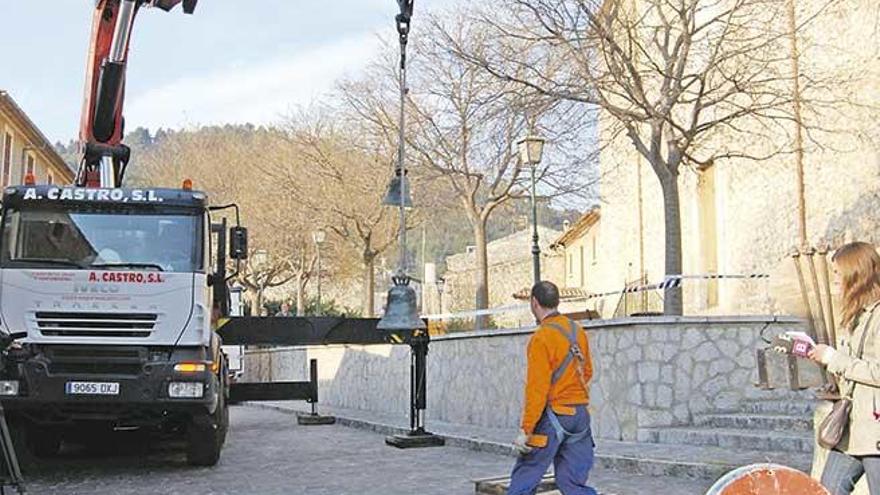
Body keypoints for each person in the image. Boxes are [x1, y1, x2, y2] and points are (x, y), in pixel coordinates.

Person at [508, 281, 597, 495]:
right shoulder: (577, 331)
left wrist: (526, 430)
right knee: (572, 484)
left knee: (525, 476)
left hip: (554, 417)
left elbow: (537, 390)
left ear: (534, 303)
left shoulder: (541, 338)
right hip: (579, 417)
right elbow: (587, 372)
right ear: (557, 302)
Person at [808, 242, 880, 494]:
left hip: (875, 430)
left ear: (856, 273)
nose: (834, 279)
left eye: (838, 273)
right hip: (852, 428)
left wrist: (834, 358)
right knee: (826, 490)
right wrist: (835, 376)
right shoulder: (857, 314)